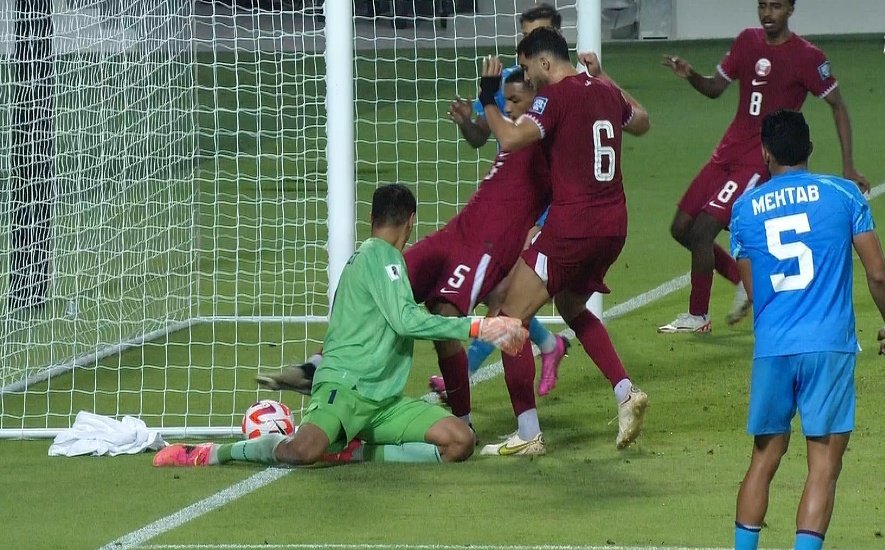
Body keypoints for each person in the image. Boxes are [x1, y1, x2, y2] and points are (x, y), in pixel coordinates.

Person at [153, 184, 528, 468]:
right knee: (301, 451)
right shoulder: (380, 259)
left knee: (459, 441)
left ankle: (353, 449)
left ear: (372, 218)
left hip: (383, 403)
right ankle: (212, 453)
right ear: (412, 220)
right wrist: (481, 327)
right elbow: (406, 320)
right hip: (346, 391)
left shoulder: (380, 262)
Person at [262, 72, 551, 433]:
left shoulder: (546, 134)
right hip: (457, 231)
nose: (508, 109)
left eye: (515, 101)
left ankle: (464, 421)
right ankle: (317, 366)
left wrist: (537, 234)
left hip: (489, 246)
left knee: (445, 312)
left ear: (539, 98)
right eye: (505, 100)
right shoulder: (515, 129)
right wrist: (474, 119)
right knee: (378, 279)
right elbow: (484, 134)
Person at [475, 28, 650, 455]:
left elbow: (512, 138)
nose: (530, 82)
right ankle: (625, 391)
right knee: (572, 306)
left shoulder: (553, 98)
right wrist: (604, 74)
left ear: (546, 62)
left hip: (575, 226)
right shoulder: (606, 92)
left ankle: (528, 433)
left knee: (507, 318)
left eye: (531, 71)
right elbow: (642, 120)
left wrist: (487, 97)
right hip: (615, 225)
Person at [658, 0, 870, 334]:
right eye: (762, 6)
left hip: (758, 160)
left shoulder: (807, 56)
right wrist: (691, 75)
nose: (767, 13)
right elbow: (716, 88)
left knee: (702, 232)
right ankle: (742, 280)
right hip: (725, 153)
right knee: (680, 228)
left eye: (776, 7)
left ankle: (698, 316)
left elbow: (838, 105)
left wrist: (849, 166)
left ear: (790, 10)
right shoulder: (746, 41)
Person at [729, 109, 885, 550]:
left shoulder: (744, 211)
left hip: (774, 348)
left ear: (765, 153)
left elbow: (755, 292)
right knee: (822, 466)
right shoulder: (845, 195)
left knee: (763, 459)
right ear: (811, 149)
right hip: (830, 348)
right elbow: (878, 275)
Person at [442, 2, 569, 391]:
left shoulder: (566, 90)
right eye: (525, 35)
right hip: (510, 205)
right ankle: (550, 345)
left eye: (537, 34)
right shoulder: (514, 84)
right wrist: (469, 122)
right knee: (499, 295)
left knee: (506, 301)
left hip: (545, 210)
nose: (529, 43)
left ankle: (462, 377)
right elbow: (484, 134)